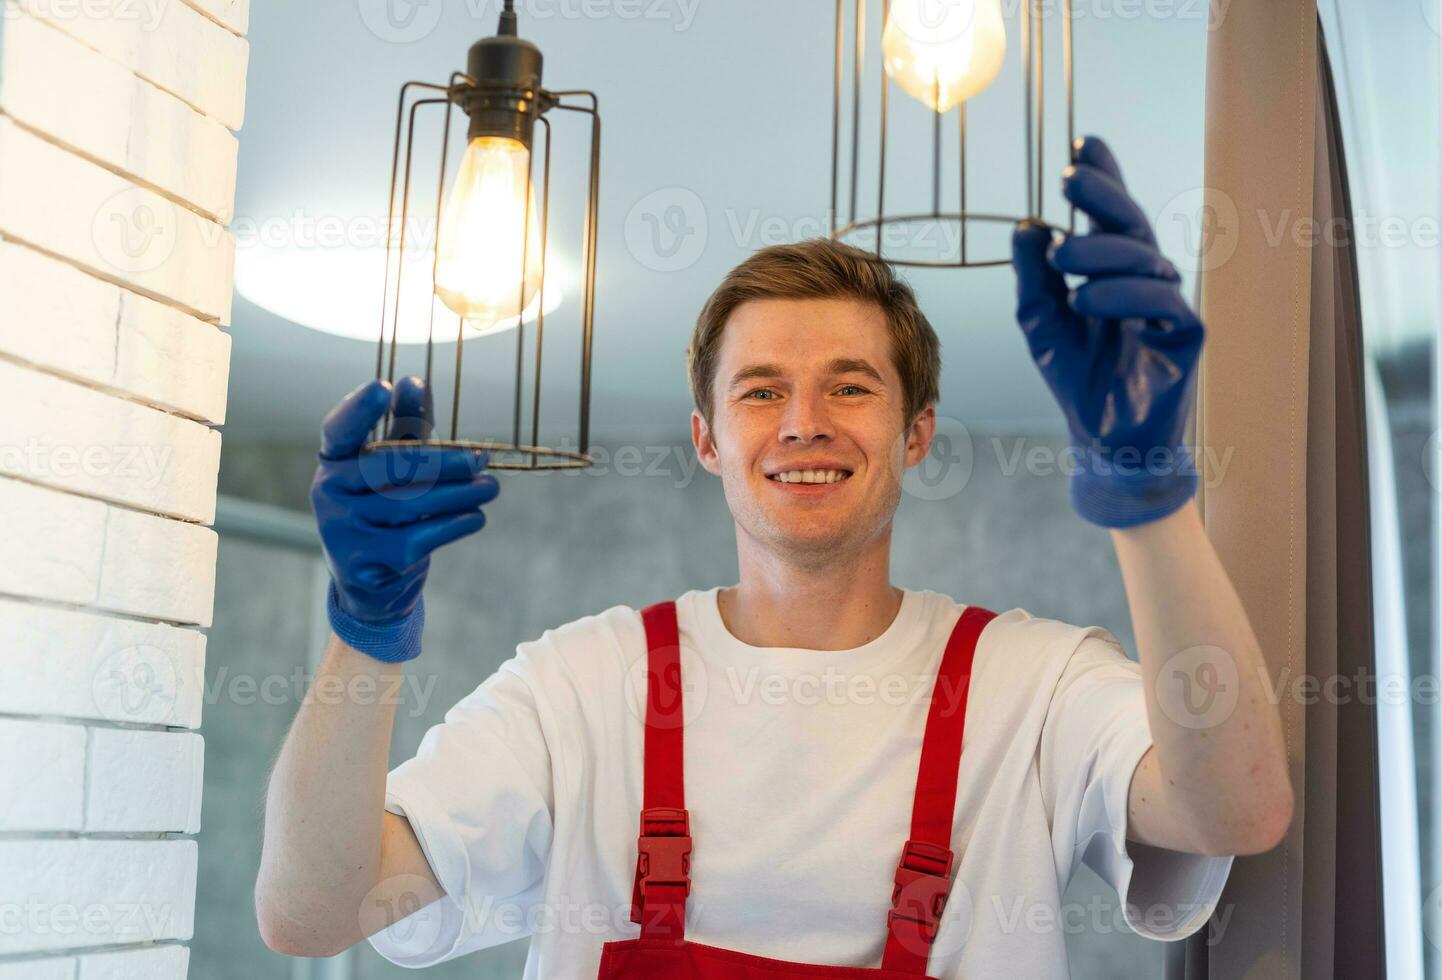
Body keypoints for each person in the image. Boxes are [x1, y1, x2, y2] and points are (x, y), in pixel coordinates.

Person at [255, 136, 1293, 977]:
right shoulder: (582, 686)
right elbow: (316, 908)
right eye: (760, 390)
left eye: (850, 385)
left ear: (916, 431)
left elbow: (1235, 806)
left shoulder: (1035, 687)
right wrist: (365, 633)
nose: (804, 423)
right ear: (707, 437)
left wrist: (1147, 496)